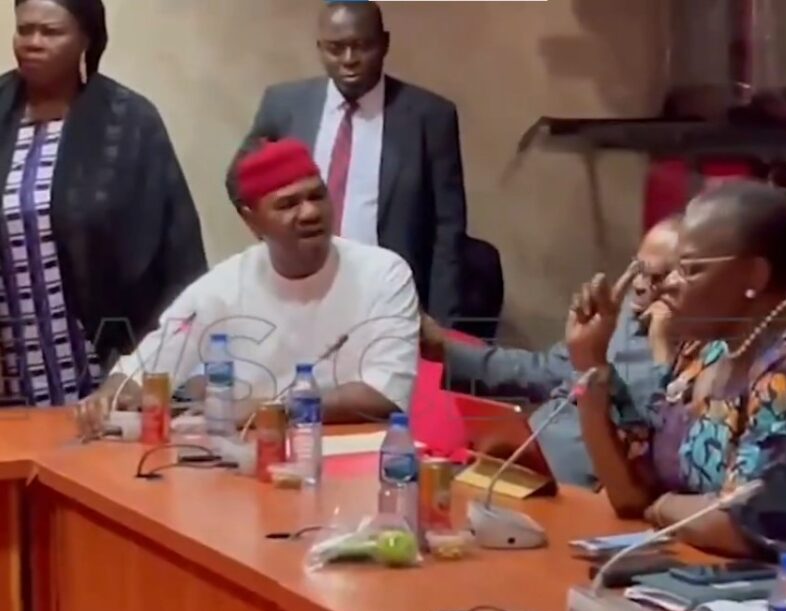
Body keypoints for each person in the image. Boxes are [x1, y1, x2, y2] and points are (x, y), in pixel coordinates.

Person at [567, 182, 786, 556]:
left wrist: (661, 507)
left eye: (688, 270)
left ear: (754, 276)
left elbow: (744, 525)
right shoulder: (709, 346)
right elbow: (628, 492)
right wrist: (590, 362)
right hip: (690, 570)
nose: (666, 286)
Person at [76, 139, 419, 432]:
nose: (310, 212)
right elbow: (148, 363)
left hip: (354, 467)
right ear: (250, 219)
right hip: (255, 466)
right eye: (288, 204)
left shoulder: (383, 273)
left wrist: (270, 410)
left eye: (317, 196)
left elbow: (383, 394)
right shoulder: (223, 286)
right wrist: (110, 395)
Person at [0, 0, 206, 407]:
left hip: (105, 377)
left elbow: (179, 261)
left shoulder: (129, 124)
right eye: (25, 30)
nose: (33, 43)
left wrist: (149, 369)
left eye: (51, 32)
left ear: (86, 40)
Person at [227, 0, 465, 325]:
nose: (349, 60)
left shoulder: (430, 117)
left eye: (362, 46)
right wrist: (270, 232)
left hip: (389, 302)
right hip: (300, 297)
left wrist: (442, 326)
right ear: (320, 48)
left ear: (384, 43)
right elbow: (239, 180)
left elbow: (447, 231)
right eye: (336, 49)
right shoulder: (285, 105)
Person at [421, 216, 680, 488]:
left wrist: (653, 348)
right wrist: (443, 350)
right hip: (525, 464)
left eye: (656, 277)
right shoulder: (623, 313)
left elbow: (660, 439)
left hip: (582, 491)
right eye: (637, 269)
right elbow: (542, 370)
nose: (638, 285)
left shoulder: (689, 350)